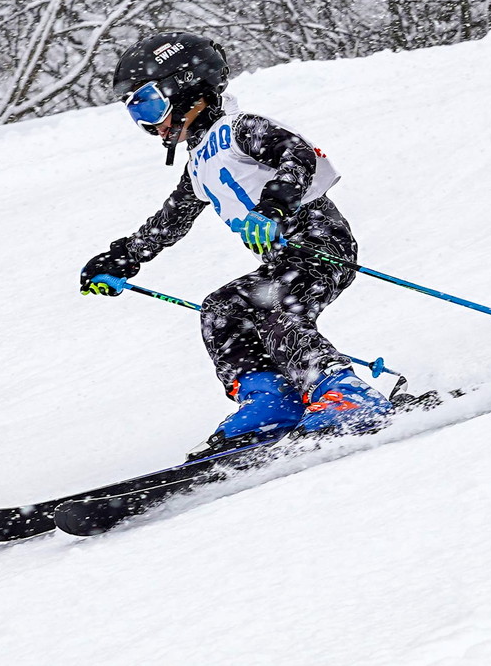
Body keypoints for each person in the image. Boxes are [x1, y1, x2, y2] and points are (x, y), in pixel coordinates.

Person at [80, 32, 396, 460]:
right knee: (222, 309)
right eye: (135, 113)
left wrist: (273, 208)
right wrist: (125, 256)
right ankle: (271, 400)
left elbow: (297, 154)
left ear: (186, 84)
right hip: (282, 257)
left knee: (274, 309)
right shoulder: (198, 160)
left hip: (319, 242)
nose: (148, 124)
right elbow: (171, 219)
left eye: (149, 105)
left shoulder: (239, 128)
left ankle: (344, 392)